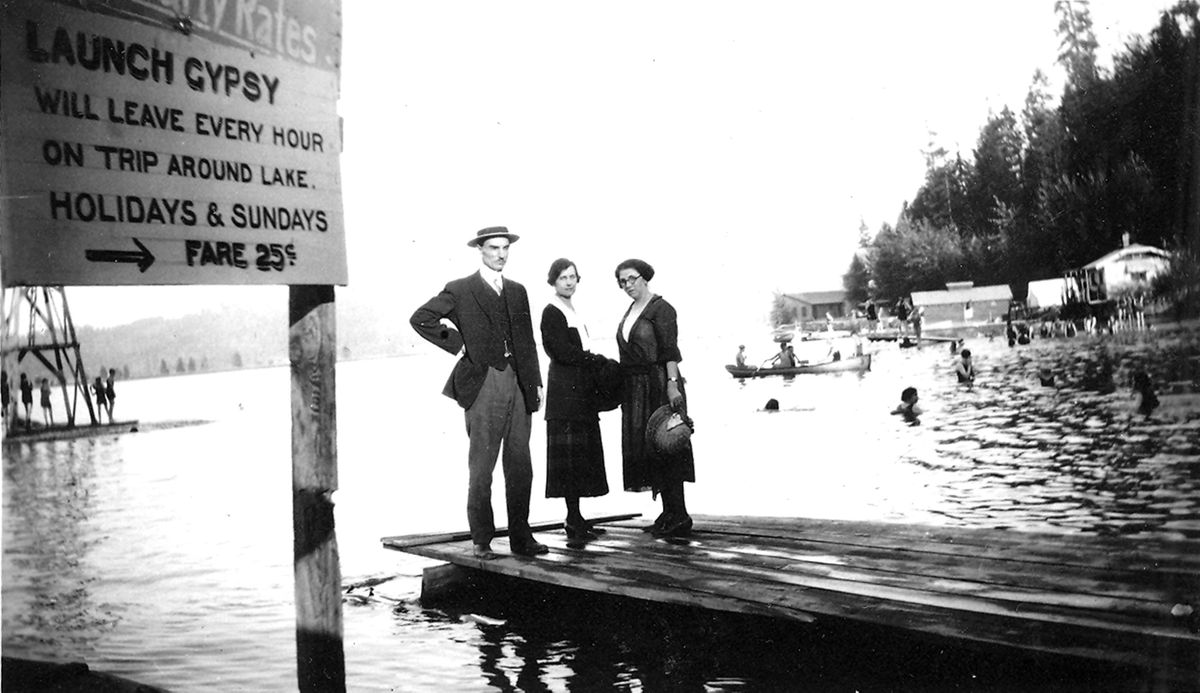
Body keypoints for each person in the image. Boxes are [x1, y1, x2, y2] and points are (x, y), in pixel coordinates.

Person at [410, 226, 548, 560]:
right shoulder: (460, 289)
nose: (500, 254)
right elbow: (422, 318)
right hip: (483, 382)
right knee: (482, 465)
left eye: (505, 248)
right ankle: (482, 540)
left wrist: (535, 382)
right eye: (493, 248)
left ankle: (521, 537)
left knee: (520, 464)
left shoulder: (518, 291)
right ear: (480, 250)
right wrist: (460, 346)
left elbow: (527, 341)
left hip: (518, 382)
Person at [615, 259, 695, 538]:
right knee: (649, 449)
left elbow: (670, 351)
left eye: (632, 279)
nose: (628, 285)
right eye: (622, 281)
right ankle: (667, 512)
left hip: (659, 383)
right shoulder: (630, 311)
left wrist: (673, 385)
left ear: (645, 278)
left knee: (668, 445)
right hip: (636, 389)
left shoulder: (661, 308)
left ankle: (680, 514)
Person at [540, 258, 616, 543]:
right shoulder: (552, 311)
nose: (569, 282)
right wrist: (595, 361)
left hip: (579, 391)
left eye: (572, 277)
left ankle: (577, 518)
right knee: (570, 459)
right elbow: (560, 351)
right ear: (553, 281)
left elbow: (578, 350)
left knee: (581, 457)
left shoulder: (572, 310)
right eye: (563, 278)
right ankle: (572, 519)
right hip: (565, 393)